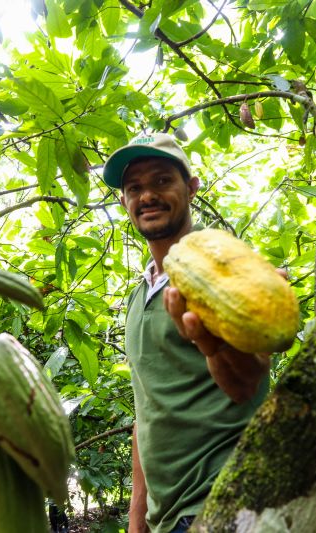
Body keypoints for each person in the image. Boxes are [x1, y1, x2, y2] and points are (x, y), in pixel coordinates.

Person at [102, 133, 271, 533]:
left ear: (191, 188)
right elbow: (147, 414)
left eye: (162, 181)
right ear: (124, 201)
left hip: (225, 502)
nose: (147, 196)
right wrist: (136, 520)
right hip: (168, 519)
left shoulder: (222, 266)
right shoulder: (139, 294)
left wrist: (214, 346)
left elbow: (248, 381)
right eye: (134, 188)